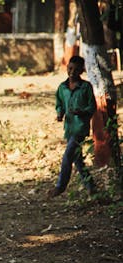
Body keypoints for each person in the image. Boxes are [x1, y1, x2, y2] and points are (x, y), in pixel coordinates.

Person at [48, 56, 96, 198]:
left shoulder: (86, 87)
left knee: (68, 155)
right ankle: (91, 187)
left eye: (76, 69)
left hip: (80, 128)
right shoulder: (62, 87)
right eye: (70, 68)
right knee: (77, 159)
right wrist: (59, 113)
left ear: (82, 70)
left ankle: (60, 187)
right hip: (68, 128)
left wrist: (83, 112)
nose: (72, 72)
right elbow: (60, 103)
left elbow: (92, 106)